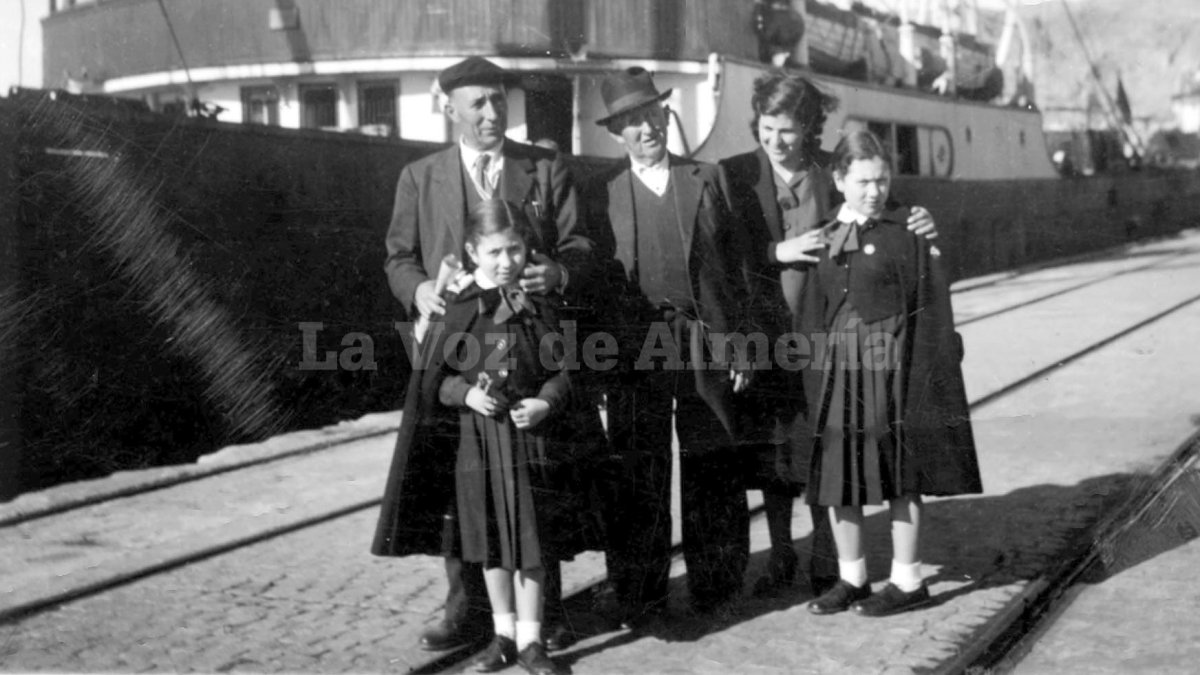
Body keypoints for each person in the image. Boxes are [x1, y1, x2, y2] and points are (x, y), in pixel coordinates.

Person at [372, 56, 595, 654]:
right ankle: (466, 607)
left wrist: (557, 270)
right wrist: (420, 289)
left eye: (498, 102)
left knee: (535, 480)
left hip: (528, 346)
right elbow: (398, 258)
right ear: (450, 108)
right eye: (478, 104)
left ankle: (542, 612)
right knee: (457, 481)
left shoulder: (544, 168)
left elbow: (579, 243)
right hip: (455, 349)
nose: (492, 114)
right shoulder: (421, 177)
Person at [720, 70, 940, 598]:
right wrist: (777, 253)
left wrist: (921, 219)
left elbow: (882, 207)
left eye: (789, 129)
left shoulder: (830, 172)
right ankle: (780, 552)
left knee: (823, 448)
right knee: (774, 455)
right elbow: (719, 257)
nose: (776, 140)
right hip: (768, 336)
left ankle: (829, 559)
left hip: (827, 336)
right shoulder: (733, 175)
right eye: (768, 127)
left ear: (809, 128)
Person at [581, 67, 752, 629]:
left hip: (705, 339)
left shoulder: (708, 178)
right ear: (617, 133)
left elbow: (740, 271)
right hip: (636, 350)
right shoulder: (601, 192)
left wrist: (741, 345)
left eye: (652, 116)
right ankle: (639, 589)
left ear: (666, 117)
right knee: (638, 468)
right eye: (632, 123)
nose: (646, 129)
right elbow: (593, 286)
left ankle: (717, 581)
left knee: (712, 461)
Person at [799, 130, 982, 617]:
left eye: (881, 180)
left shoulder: (910, 229)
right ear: (840, 180)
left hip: (893, 372)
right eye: (863, 181)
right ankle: (852, 578)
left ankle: (907, 580)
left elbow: (934, 299)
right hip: (841, 371)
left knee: (902, 473)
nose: (874, 191)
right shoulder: (827, 233)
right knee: (840, 478)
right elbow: (818, 304)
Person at [444, 200, 594, 675]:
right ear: (472, 252)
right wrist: (466, 395)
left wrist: (547, 401)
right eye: (494, 252)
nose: (506, 261)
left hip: (530, 442)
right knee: (491, 541)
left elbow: (567, 369)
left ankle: (532, 641)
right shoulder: (462, 305)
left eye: (514, 249)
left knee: (531, 541)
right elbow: (438, 377)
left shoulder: (543, 304)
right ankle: (502, 635)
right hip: (480, 442)